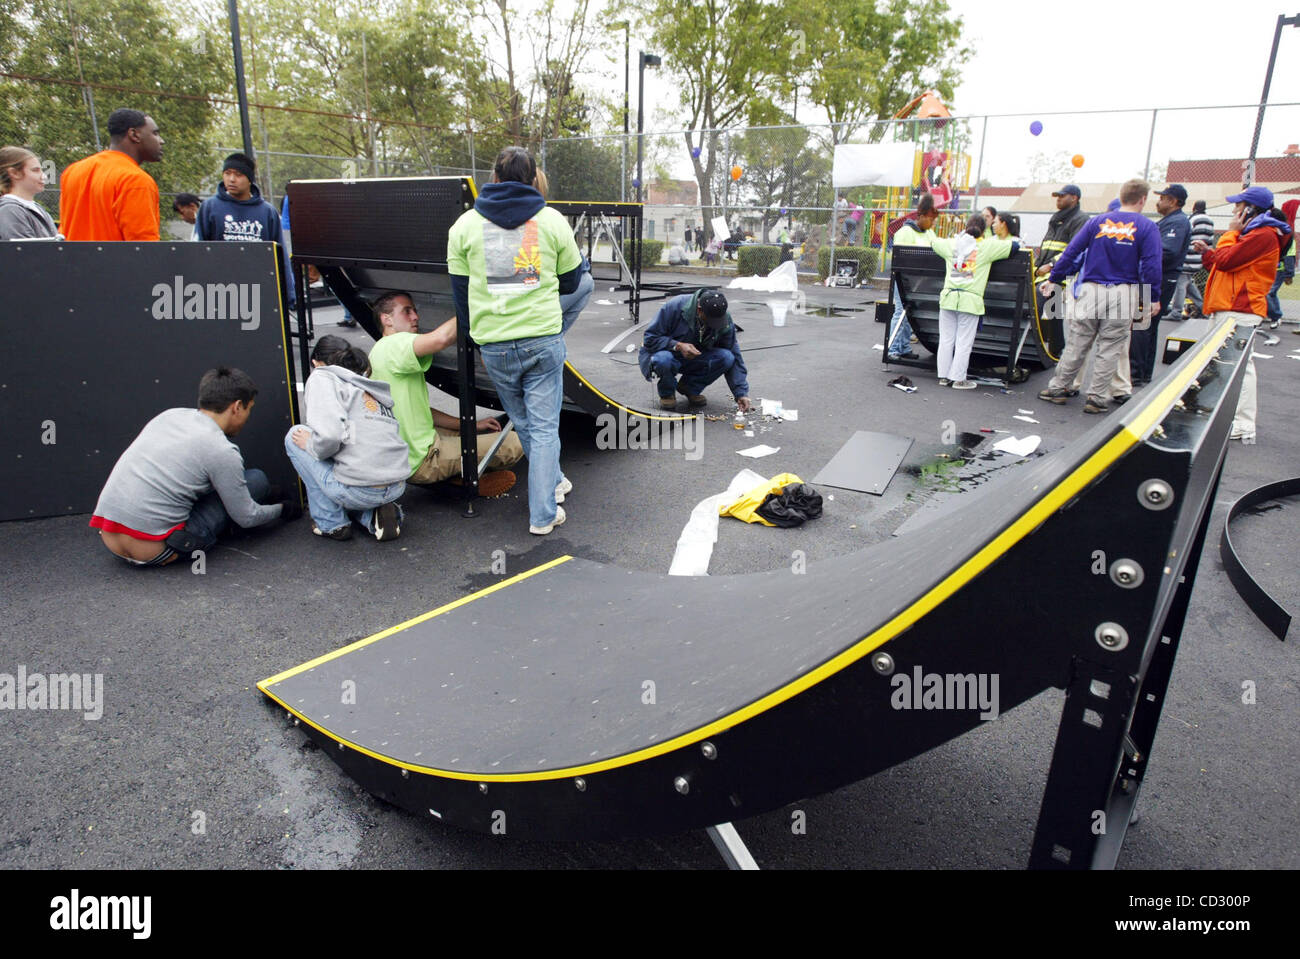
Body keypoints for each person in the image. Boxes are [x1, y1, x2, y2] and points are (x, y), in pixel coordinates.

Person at [446, 146, 582, 535]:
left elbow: (461, 294)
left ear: (493, 178)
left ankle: (554, 481)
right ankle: (543, 513)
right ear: (532, 178)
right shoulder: (552, 220)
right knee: (542, 429)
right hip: (541, 338)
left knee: (525, 423)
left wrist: (476, 338)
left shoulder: (464, 227)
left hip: (495, 344)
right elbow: (573, 280)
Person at [89, 367, 300, 567]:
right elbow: (247, 517)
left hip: (110, 539)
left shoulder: (168, 416)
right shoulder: (221, 450)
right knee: (257, 481)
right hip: (159, 549)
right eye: (249, 409)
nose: (247, 416)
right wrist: (282, 510)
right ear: (236, 407)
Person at [366, 290, 524, 496]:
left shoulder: (380, 351)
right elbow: (441, 339)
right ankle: (463, 477)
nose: (416, 316)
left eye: (414, 310)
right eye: (407, 311)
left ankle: (459, 475)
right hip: (423, 459)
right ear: (386, 319)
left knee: (479, 432)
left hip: (407, 453)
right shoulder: (393, 345)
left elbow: (423, 412)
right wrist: (475, 303)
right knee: (514, 444)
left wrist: (471, 425)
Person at [1038, 179, 1162, 414]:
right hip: (1124, 291)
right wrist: (1152, 297)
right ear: (1143, 199)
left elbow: (1072, 251)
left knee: (1077, 341)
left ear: (1122, 196)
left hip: (1091, 288)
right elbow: (1151, 265)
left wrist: (1054, 279)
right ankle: (1096, 398)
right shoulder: (1147, 227)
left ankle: (1058, 388)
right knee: (1111, 346)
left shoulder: (1097, 222)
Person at [284, 336, 409, 541]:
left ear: (316, 362)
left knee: (296, 436)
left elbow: (331, 435)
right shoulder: (365, 384)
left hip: (361, 490)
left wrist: (308, 443)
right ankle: (374, 516)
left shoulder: (321, 377)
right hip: (396, 485)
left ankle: (332, 523)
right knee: (333, 450)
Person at [1194, 185, 1292, 443]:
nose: (1235, 209)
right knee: (1221, 365)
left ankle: (1243, 423)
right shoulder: (1252, 233)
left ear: (1250, 209)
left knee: (1239, 368)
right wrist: (1207, 252)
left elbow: (1227, 260)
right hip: (1230, 306)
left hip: (1240, 308)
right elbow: (1221, 262)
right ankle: (1223, 416)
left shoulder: (1263, 234)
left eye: (1239, 205)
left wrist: (1230, 234)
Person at [929, 213, 1017, 389]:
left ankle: (944, 376)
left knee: (946, 339)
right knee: (964, 341)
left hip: (948, 298)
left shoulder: (952, 244)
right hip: (970, 301)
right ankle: (958, 379)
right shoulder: (986, 247)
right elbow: (1014, 247)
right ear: (983, 231)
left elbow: (934, 243)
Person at [196, 153, 295, 310]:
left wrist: (289, 293)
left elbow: (280, 255)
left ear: (249, 178)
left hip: (260, 293)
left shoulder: (267, 212)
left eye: (238, 174)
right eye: (227, 173)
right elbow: (198, 251)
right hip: (220, 293)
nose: (232, 179)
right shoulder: (210, 208)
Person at [639, 289, 752, 412]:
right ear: (699, 310)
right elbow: (650, 338)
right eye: (710, 320)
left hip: (693, 357)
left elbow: (734, 354)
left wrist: (740, 393)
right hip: (664, 353)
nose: (713, 325)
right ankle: (667, 393)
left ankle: (689, 387)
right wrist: (677, 345)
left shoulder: (723, 319)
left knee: (727, 357)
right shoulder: (675, 306)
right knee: (663, 360)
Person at [59, 108, 162, 241]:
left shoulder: (72, 171)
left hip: (73, 261)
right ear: (134, 135)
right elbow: (143, 248)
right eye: (155, 133)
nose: (161, 141)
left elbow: (65, 229)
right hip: (115, 262)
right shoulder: (134, 180)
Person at [1132, 184, 1190, 385]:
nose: (1158, 202)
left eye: (1162, 198)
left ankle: (1135, 372)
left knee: (1142, 323)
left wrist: (1140, 257)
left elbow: (1167, 251)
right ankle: (1143, 372)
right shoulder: (1170, 221)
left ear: (1173, 201)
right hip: (1158, 277)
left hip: (1162, 277)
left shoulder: (1178, 222)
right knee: (1147, 325)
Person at [533, 169, 591, 334]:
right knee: (586, 281)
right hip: (532, 313)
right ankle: (552, 336)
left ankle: (551, 335)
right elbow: (571, 281)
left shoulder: (476, 221)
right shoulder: (550, 219)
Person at [885, 194, 939, 360]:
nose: (933, 223)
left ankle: (904, 347)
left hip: (920, 283)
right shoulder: (905, 232)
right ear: (921, 216)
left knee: (910, 316)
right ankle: (893, 349)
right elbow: (901, 259)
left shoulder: (929, 234)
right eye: (930, 219)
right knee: (901, 313)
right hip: (904, 281)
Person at [0, 146, 60, 239]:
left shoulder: (36, 208)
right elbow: (25, 251)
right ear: (14, 173)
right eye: (35, 170)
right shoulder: (10, 210)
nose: (44, 176)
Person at [1174, 200, 1215, 318]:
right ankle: (1203, 308)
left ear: (1194, 208)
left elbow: (1185, 235)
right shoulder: (1210, 220)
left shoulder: (1193, 219)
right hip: (1199, 257)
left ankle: (1176, 312)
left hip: (1188, 256)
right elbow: (1210, 240)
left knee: (1181, 285)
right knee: (1189, 284)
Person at [1265, 199, 1296, 329]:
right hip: (1273, 268)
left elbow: (1290, 254)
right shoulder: (1277, 234)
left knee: (1269, 293)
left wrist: (1289, 274)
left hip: (1280, 268)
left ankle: (1276, 316)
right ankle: (1270, 315)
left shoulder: (1286, 235)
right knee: (1267, 292)